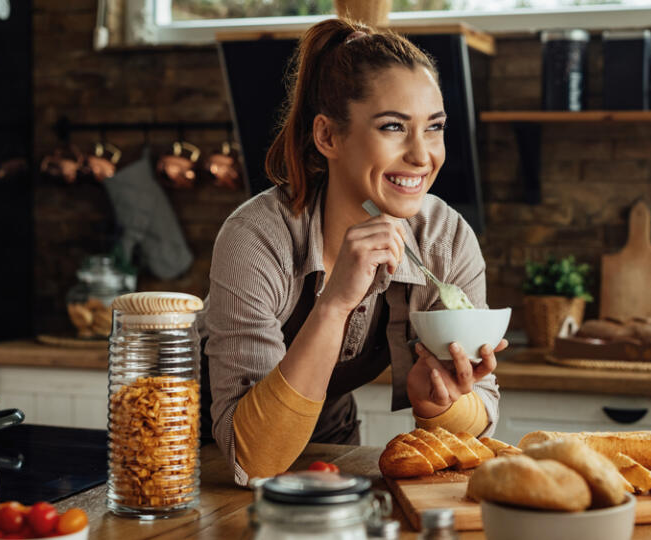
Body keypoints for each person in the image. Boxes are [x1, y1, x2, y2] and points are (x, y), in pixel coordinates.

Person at [201, 17, 507, 486]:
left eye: (434, 128)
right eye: (393, 127)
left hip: (327, 437)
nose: (422, 156)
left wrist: (440, 404)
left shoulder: (445, 238)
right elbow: (252, 460)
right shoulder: (255, 238)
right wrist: (336, 302)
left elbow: (480, 416)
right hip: (205, 451)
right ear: (328, 137)